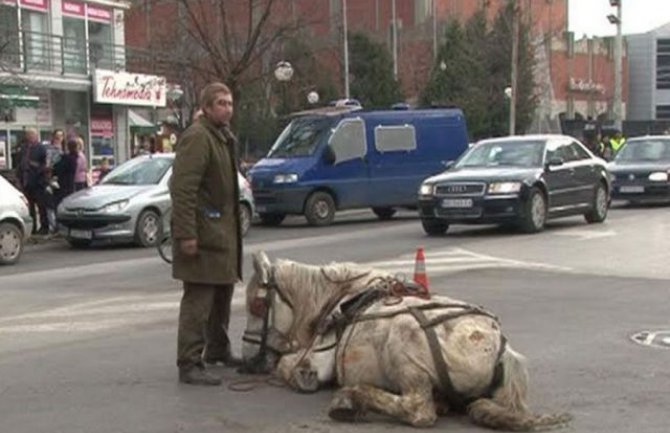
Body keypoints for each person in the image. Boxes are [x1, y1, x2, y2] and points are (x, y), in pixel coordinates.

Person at [170, 82, 243, 386]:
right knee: (199, 300)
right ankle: (189, 362)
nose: (227, 108)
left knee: (222, 295)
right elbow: (182, 188)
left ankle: (217, 349)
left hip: (222, 234)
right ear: (208, 107)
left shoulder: (221, 136)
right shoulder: (199, 137)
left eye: (229, 103)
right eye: (221, 103)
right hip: (203, 234)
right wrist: (187, 234)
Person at [16, 128, 48, 235]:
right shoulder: (24, 148)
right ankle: (32, 228)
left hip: (38, 182)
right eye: (27, 135)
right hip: (26, 181)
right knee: (30, 207)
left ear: (35, 136)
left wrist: (36, 166)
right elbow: (19, 163)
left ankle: (44, 227)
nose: (29, 137)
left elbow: (44, 165)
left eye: (31, 135)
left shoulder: (41, 148)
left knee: (41, 206)